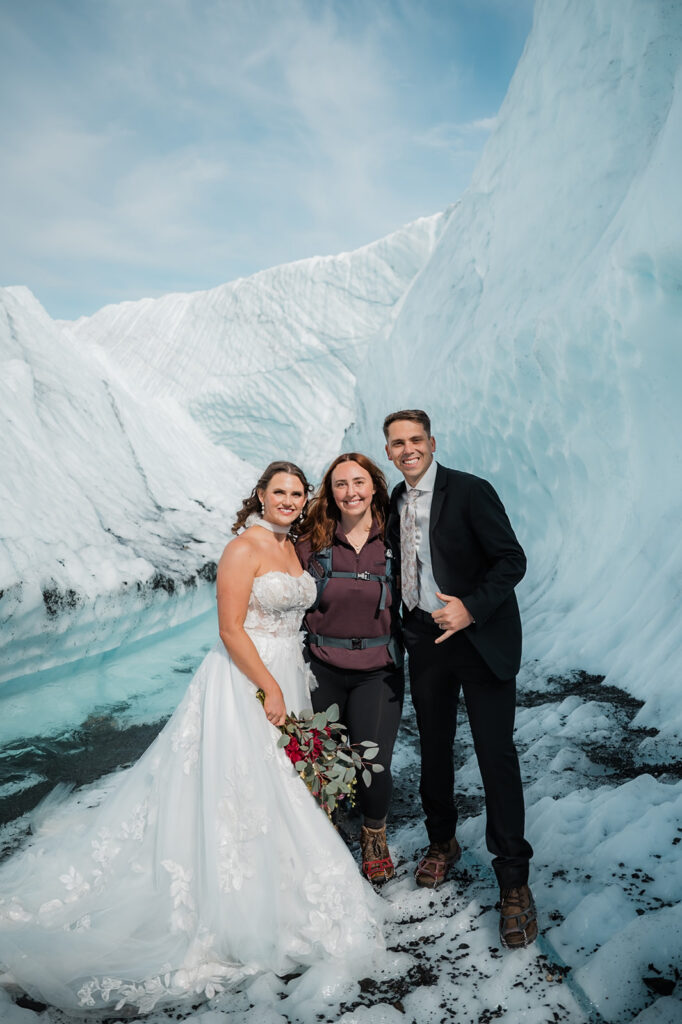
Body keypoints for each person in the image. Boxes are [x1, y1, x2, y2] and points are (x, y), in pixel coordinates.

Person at [0, 462, 382, 1015]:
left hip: (288, 674)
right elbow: (230, 629)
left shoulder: (293, 545)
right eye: (280, 492)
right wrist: (270, 688)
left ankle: (279, 881)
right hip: (246, 679)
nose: (290, 500)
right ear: (260, 494)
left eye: (298, 493)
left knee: (279, 784)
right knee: (243, 781)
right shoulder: (243, 548)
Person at [383, 410, 537, 950]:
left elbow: (511, 561)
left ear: (432, 442)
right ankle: (442, 842)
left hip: (478, 635)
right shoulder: (393, 502)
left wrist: (470, 609)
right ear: (388, 451)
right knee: (434, 746)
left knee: (495, 754)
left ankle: (513, 881)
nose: (407, 450)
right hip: (424, 640)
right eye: (397, 443)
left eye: (415, 440)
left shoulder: (471, 491)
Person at [296, 454, 404, 884]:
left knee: (371, 760)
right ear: (331, 491)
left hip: (378, 667)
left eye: (359, 482)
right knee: (319, 760)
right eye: (341, 484)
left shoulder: (395, 537)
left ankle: (373, 834)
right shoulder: (312, 540)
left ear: (374, 486)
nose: (350, 492)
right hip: (321, 665)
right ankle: (321, 835)